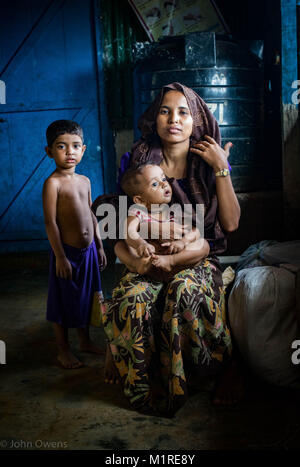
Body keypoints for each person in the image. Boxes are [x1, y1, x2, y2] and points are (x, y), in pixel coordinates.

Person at [97, 82, 242, 416]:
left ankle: (222, 368)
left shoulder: (209, 160)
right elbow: (121, 223)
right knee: (132, 295)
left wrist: (222, 167)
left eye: (183, 112)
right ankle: (136, 368)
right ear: (155, 117)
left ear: (198, 121)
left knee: (184, 289)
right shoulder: (138, 158)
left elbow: (231, 225)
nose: (173, 119)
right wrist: (139, 259)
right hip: (147, 254)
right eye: (164, 110)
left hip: (196, 255)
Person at [43, 119, 107, 369]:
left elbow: (91, 215)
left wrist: (99, 245)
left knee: (88, 297)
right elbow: (51, 222)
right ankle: (63, 350)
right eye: (61, 146)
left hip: (89, 251)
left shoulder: (84, 180)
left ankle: (85, 340)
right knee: (62, 300)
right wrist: (60, 256)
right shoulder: (53, 183)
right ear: (49, 152)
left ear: (83, 149)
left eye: (75, 145)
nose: (70, 151)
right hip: (67, 253)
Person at [120, 162, 208, 277]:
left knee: (203, 244)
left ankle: (171, 261)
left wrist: (183, 242)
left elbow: (194, 231)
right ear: (139, 200)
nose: (164, 184)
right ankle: (138, 264)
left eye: (164, 178)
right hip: (151, 258)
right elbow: (129, 231)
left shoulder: (173, 210)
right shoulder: (139, 213)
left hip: (173, 255)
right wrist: (141, 244)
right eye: (155, 184)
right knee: (121, 245)